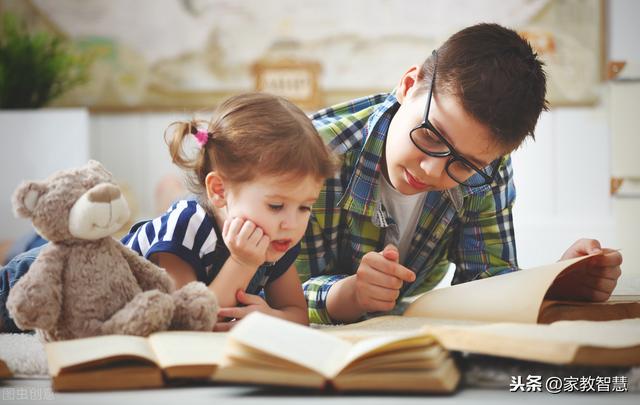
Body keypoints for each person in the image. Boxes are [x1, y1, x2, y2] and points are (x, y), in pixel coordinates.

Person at [296, 23, 623, 324]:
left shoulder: (485, 172)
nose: (431, 170)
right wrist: (348, 294)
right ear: (409, 85)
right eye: (430, 135)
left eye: (464, 164)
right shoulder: (308, 154)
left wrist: (555, 283)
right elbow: (262, 290)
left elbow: (485, 279)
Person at [0, 93, 337, 332]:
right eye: (276, 205)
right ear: (219, 191)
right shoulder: (188, 225)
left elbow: (297, 314)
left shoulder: (278, 237)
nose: (291, 223)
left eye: (305, 207)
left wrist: (269, 318)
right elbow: (186, 317)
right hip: (55, 276)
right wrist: (243, 262)